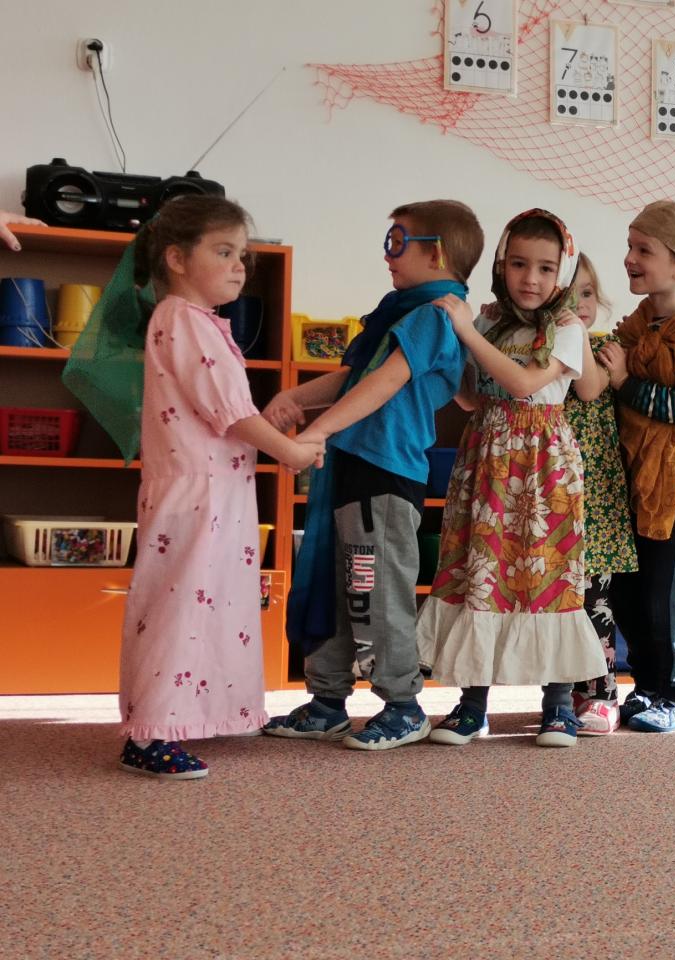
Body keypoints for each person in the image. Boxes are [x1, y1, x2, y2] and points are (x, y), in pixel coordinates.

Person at [115, 195, 324, 779]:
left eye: (243, 255)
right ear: (177, 258)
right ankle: (151, 733)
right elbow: (229, 412)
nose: (239, 267)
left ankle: (197, 713)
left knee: (212, 600)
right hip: (197, 493)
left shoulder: (191, 320)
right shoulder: (183, 319)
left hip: (215, 490)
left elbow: (226, 408)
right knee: (182, 604)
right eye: (224, 252)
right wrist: (290, 452)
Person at [262, 200, 481, 750]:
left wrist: (316, 431)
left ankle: (404, 706)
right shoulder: (400, 313)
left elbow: (385, 382)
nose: (388, 255)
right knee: (337, 588)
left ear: (437, 253)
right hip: (353, 465)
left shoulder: (435, 315)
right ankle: (327, 701)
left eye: (397, 242)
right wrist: (296, 398)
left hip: (385, 473)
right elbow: (356, 377)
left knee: (377, 594)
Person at [417, 209, 605, 749]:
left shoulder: (567, 327)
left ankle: (559, 705)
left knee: (547, 575)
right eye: (519, 264)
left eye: (546, 268)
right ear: (502, 265)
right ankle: (472, 705)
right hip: (487, 458)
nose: (531, 278)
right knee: (483, 570)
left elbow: (524, 384)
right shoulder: (489, 322)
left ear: (561, 273)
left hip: (544, 467)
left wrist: (466, 332)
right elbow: (471, 397)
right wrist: (453, 347)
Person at [596, 200, 675, 733]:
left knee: (667, 595)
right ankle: (646, 684)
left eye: (643, 250)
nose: (629, 258)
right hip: (634, 476)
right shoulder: (638, 324)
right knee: (630, 591)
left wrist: (626, 381)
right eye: (630, 246)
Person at [564, 253, 638, 735]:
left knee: (596, 599)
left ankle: (603, 692)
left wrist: (577, 334)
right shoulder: (550, 346)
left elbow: (591, 390)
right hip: (556, 489)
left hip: (597, 496)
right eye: (569, 297)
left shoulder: (603, 348)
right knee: (559, 597)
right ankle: (566, 690)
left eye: (587, 294)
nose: (580, 305)